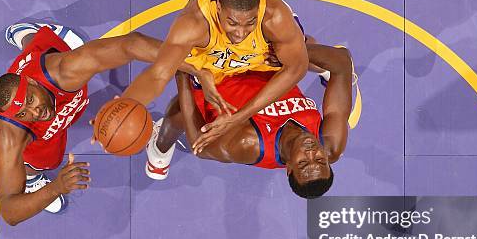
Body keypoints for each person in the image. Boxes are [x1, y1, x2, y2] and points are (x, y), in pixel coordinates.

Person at [0, 23, 215, 225]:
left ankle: (31, 35)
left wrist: (196, 68)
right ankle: (33, 177)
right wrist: (56, 187)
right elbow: (10, 212)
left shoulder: (65, 70)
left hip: (54, 68)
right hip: (42, 133)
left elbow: (130, 44)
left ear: (31, 82)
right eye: (23, 113)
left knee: (55, 51)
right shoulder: (10, 133)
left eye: (30, 100)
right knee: (41, 161)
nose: (35, 111)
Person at [115, 0, 309, 178]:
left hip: (257, 61)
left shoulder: (275, 17)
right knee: (183, 107)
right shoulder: (195, 23)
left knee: (306, 51)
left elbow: (297, 68)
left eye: (250, 22)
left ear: (258, 12)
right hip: (211, 62)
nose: (241, 33)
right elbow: (158, 75)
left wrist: (236, 118)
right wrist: (127, 105)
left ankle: (320, 68)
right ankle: (159, 148)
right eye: (232, 23)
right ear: (218, 9)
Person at [146, 43, 354, 198]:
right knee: (301, 42)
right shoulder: (331, 143)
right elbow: (343, 61)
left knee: (181, 112)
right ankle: (312, 64)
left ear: (289, 167)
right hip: (263, 64)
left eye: (303, 162)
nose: (311, 152)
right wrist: (297, 53)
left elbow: (199, 145)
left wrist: (183, 74)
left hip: (218, 77)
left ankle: (159, 150)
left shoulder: (247, 144)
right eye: (319, 159)